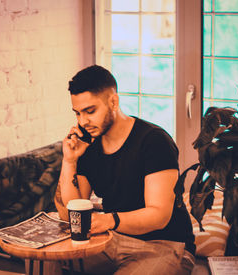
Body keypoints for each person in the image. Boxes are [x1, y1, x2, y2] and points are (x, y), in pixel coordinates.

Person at [54, 65, 196, 274]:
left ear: (113, 101)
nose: (83, 121)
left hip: (163, 245)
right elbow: (69, 214)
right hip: (111, 240)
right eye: (78, 113)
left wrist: (108, 220)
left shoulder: (154, 141)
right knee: (48, 260)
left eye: (90, 111)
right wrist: (69, 161)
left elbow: (159, 216)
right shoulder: (90, 145)